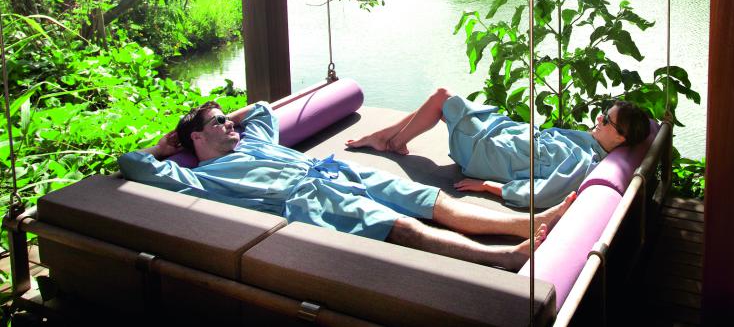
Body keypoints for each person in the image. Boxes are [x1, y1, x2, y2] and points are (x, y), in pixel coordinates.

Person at [118, 101, 573, 271]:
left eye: (226, 120)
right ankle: (503, 257)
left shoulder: (252, 138)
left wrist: (222, 117)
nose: (230, 125)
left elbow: (260, 109)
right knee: (400, 227)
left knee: (426, 198)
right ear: (196, 140)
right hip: (310, 201)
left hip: (335, 170)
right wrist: (165, 146)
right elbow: (132, 164)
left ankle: (519, 224)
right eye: (218, 123)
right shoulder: (197, 177)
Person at [346, 89, 650, 209]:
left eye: (605, 120)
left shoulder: (585, 162)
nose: (598, 119)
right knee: (447, 103)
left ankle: (390, 140)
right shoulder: (591, 143)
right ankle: (387, 138)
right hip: (501, 138)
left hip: (488, 153)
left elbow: (544, 193)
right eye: (603, 114)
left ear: (620, 137)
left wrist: (489, 187)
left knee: (442, 99)